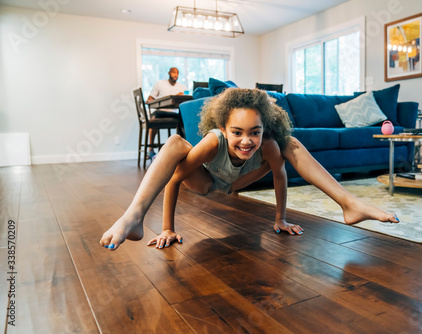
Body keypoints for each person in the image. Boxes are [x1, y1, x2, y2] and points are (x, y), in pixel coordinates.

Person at [100, 88, 399, 251]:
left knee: (290, 144)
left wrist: (280, 218)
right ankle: (134, 216)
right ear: (222, 128)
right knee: (177, 143)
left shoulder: (267, 144)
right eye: (237, 132)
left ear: (263, 128)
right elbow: (176, 177)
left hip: (240, 181)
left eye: (254, 132)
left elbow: (280, 175)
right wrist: (167, 227)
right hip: (205, 183)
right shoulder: (212, 142)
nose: (247, 141)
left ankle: (349, 203)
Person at [146, 67, 188, 159]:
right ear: (169, 73)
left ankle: (183, 148)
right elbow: (151, 98)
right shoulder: (160, 84)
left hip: (174, 114)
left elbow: (187, 98)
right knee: (154, 116)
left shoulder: (182, 87)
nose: (175, 75)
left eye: (177, 73)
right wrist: (149, 100)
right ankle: (150, 149)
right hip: (160, 112)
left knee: (184, 119)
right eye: (173, 72)